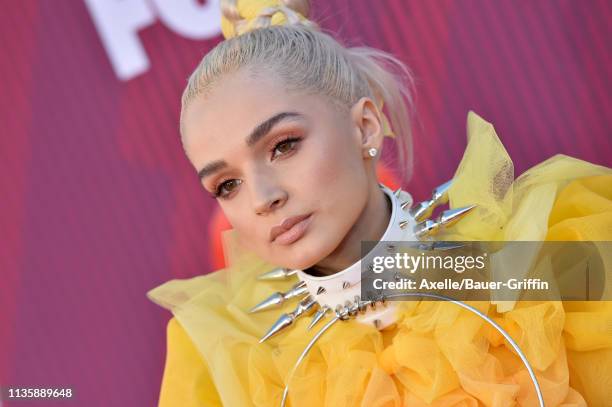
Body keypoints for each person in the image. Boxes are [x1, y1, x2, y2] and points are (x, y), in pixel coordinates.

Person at [147, 0, 612, 405]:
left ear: (365, 127)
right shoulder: (231, 368)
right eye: (227, 185)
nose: (264, 198)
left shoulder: (529, 269)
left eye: (283, 146)